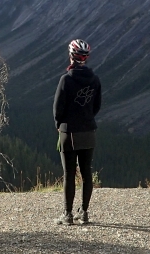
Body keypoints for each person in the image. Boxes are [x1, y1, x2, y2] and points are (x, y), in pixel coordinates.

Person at [53, 39, 101, 225]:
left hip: (69, 132)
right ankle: (85, 212)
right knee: (86, 172)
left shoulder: (66, 79)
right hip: (89, 130)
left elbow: (58, 108)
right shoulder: (95, 79)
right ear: (86, 58)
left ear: (71, 55)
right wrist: (86, 117)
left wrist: (60, 124)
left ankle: (67, 214)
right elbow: (97, 105)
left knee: (69, 173)